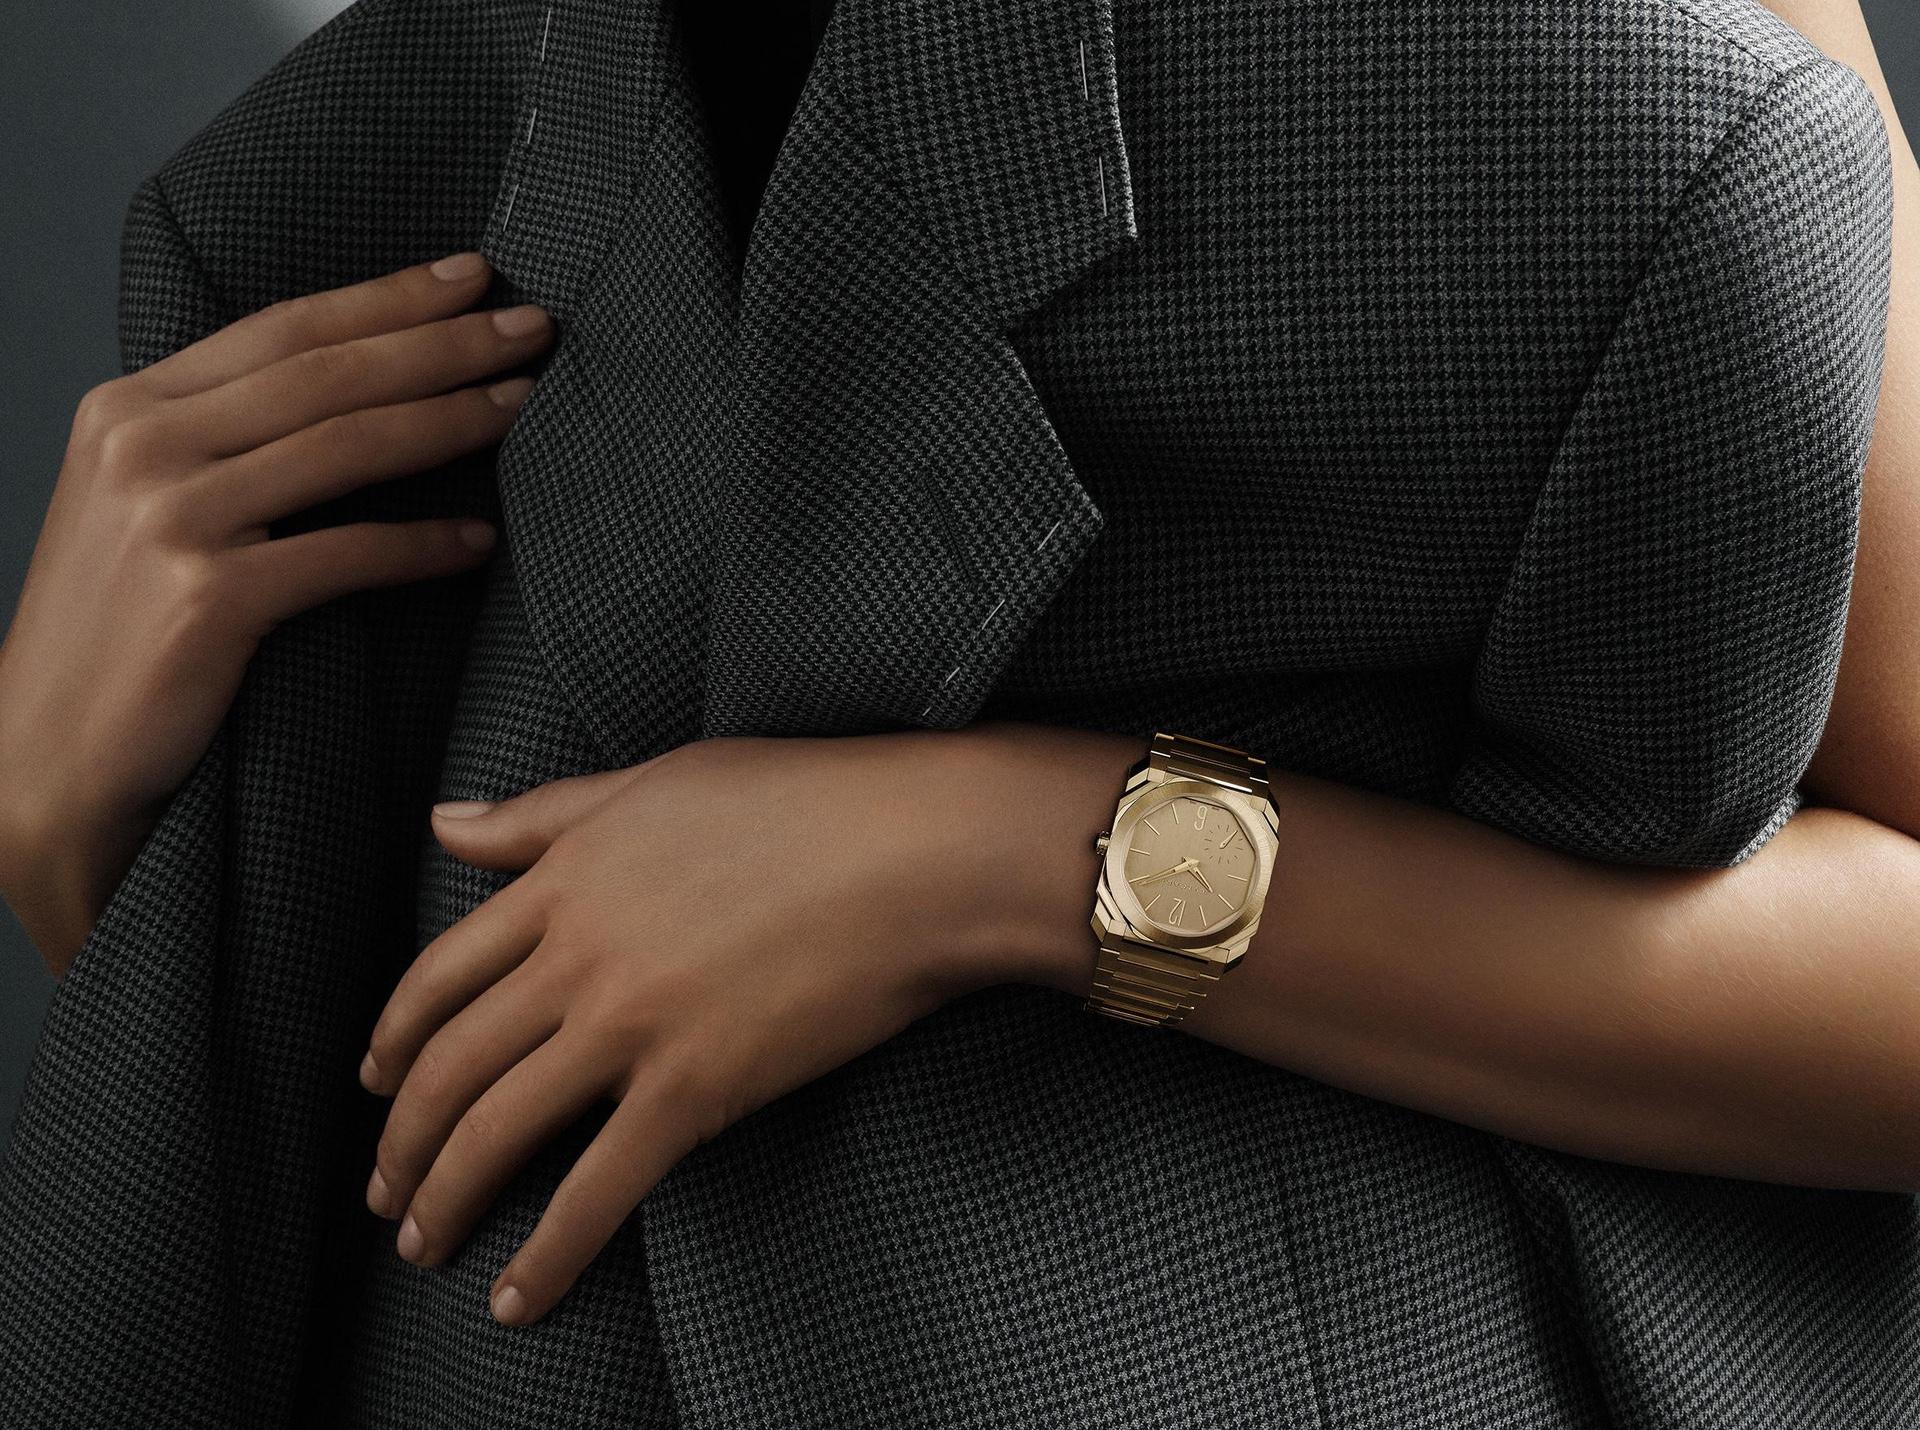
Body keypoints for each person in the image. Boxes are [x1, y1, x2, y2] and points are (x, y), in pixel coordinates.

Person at [2, 0, 1918, 1424]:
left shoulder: (1615, 111)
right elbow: (411, 1103)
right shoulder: (358, 163)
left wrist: (1018, 857)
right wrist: (72, 827)